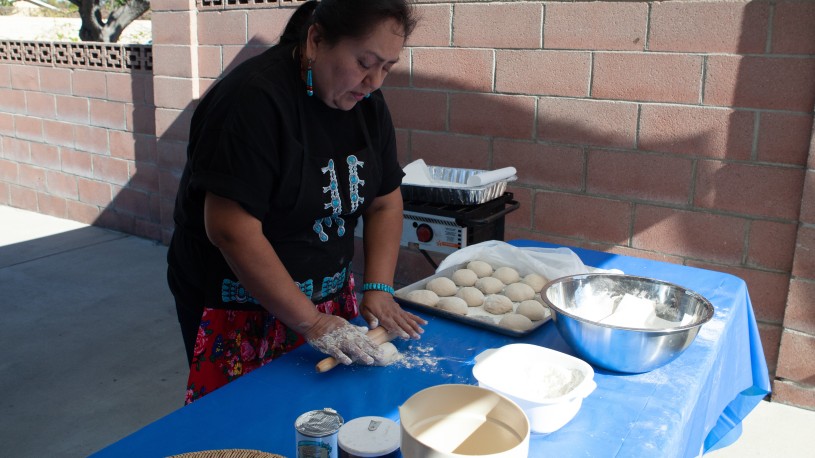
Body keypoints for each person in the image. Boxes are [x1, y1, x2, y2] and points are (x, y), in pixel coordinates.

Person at [166, 0, 426, 404]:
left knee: (325, 415)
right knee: (250, 423)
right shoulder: (253, 100)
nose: (374, 81)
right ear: (316, 40)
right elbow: (231, 230)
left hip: (328, 301)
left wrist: (378, 287)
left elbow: (384, 202)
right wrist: (311, 322)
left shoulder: (366, 102)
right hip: (239, 307)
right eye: (364, 62)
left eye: (387, 67)